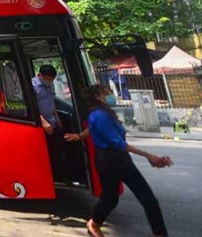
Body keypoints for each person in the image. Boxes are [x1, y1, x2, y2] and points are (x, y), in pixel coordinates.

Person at [71, 84, 172, 237]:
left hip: (119, 159)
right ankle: (94, 224)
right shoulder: (99, 115)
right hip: (109, 160)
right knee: (113, 199)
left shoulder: (105, 113)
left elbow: (92, 128)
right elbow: (117, 142)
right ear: (98, 97)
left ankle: (160, 234)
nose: (111, 96)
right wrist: (149, 155)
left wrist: (79, 136)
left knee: (145, 199)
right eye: (107, 94)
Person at [32, 64, 66, 181]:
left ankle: (58, 176)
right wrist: (43, 122)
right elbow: (32, 107)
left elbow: (52, 102)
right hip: (40, 125)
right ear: (40, 75)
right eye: (47, 79)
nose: (49, 82)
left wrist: (57, 118)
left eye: (51, 80)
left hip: (52, 121)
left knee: (57, 150)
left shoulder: (50, 84)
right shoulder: (33, 86)